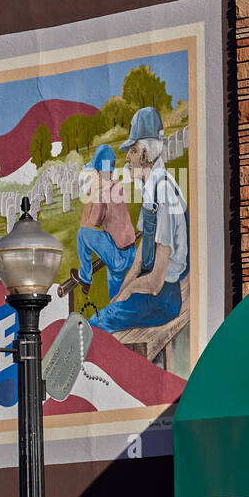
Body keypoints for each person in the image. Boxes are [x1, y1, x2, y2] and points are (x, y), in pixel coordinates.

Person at [91, 107, 189, 333]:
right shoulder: (152, 190)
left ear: (145, 154)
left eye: (132, 151)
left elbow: (154, 283)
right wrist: (119, 296)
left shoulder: (163, 193)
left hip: (163, 299)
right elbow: (139, 259)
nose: (127, 158)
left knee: (93, 326)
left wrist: (127, 293)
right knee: (106, 311)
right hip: (156, 293)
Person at [62, 144, 135, 303]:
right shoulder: (118, 188)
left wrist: (90, 199)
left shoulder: (101, 195)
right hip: (130, 252)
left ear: (97, 173)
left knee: (81, 234)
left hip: (117, 256)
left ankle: (85, 277)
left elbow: (88, 226)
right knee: (117, 298)